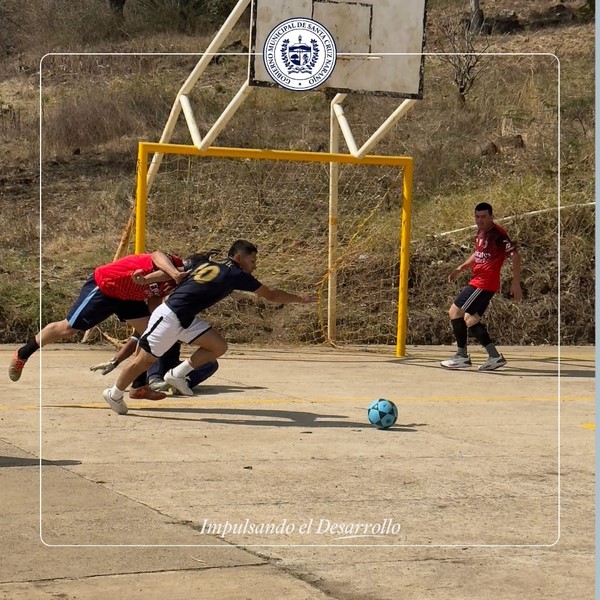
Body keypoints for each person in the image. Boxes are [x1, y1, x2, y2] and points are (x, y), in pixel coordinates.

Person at [102, 239, 314, 415]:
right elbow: (271, 295)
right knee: (143, 361)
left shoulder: (207, 264)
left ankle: (177, 374)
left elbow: (175, 272)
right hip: (170, 316)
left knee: (218, 346)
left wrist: (146, 279)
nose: (254, 265)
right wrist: (299, 299)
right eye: (252, 261)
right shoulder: (236, 274)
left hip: (184, 318)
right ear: (238, 258)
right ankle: (114, 393)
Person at [9, 251, 188, 400]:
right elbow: (156, 255)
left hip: (129, 298)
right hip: (106, 286)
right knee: (68, 328)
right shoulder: (172, 263)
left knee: (150, 333)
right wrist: (175, 273)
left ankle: (138, 386)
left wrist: (160, 319)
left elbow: (155, 298)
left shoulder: (178, 285)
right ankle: (23, 353)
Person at [441, 202, 522, 371]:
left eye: (484, 217)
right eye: (477, 217)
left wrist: (516, 283)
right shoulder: (481, 232)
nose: (480, 220)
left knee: (454, 312)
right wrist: (461, 267)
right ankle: (494, 357)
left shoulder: (498, 234)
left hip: (483, 283)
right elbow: (478, 254)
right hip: (481, 282)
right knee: (471, 319)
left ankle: (461, 356)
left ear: (492, 217)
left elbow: (515, 255)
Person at [91, 335, 219, 393]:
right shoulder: (153, 317)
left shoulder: (184, 317)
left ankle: (183, 383)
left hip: (171, 367)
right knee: (156, 347)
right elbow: (134, 341)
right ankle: (154, 380)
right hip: (151, 365)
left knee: (211, 362)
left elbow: (202, 341)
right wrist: (114, 361)